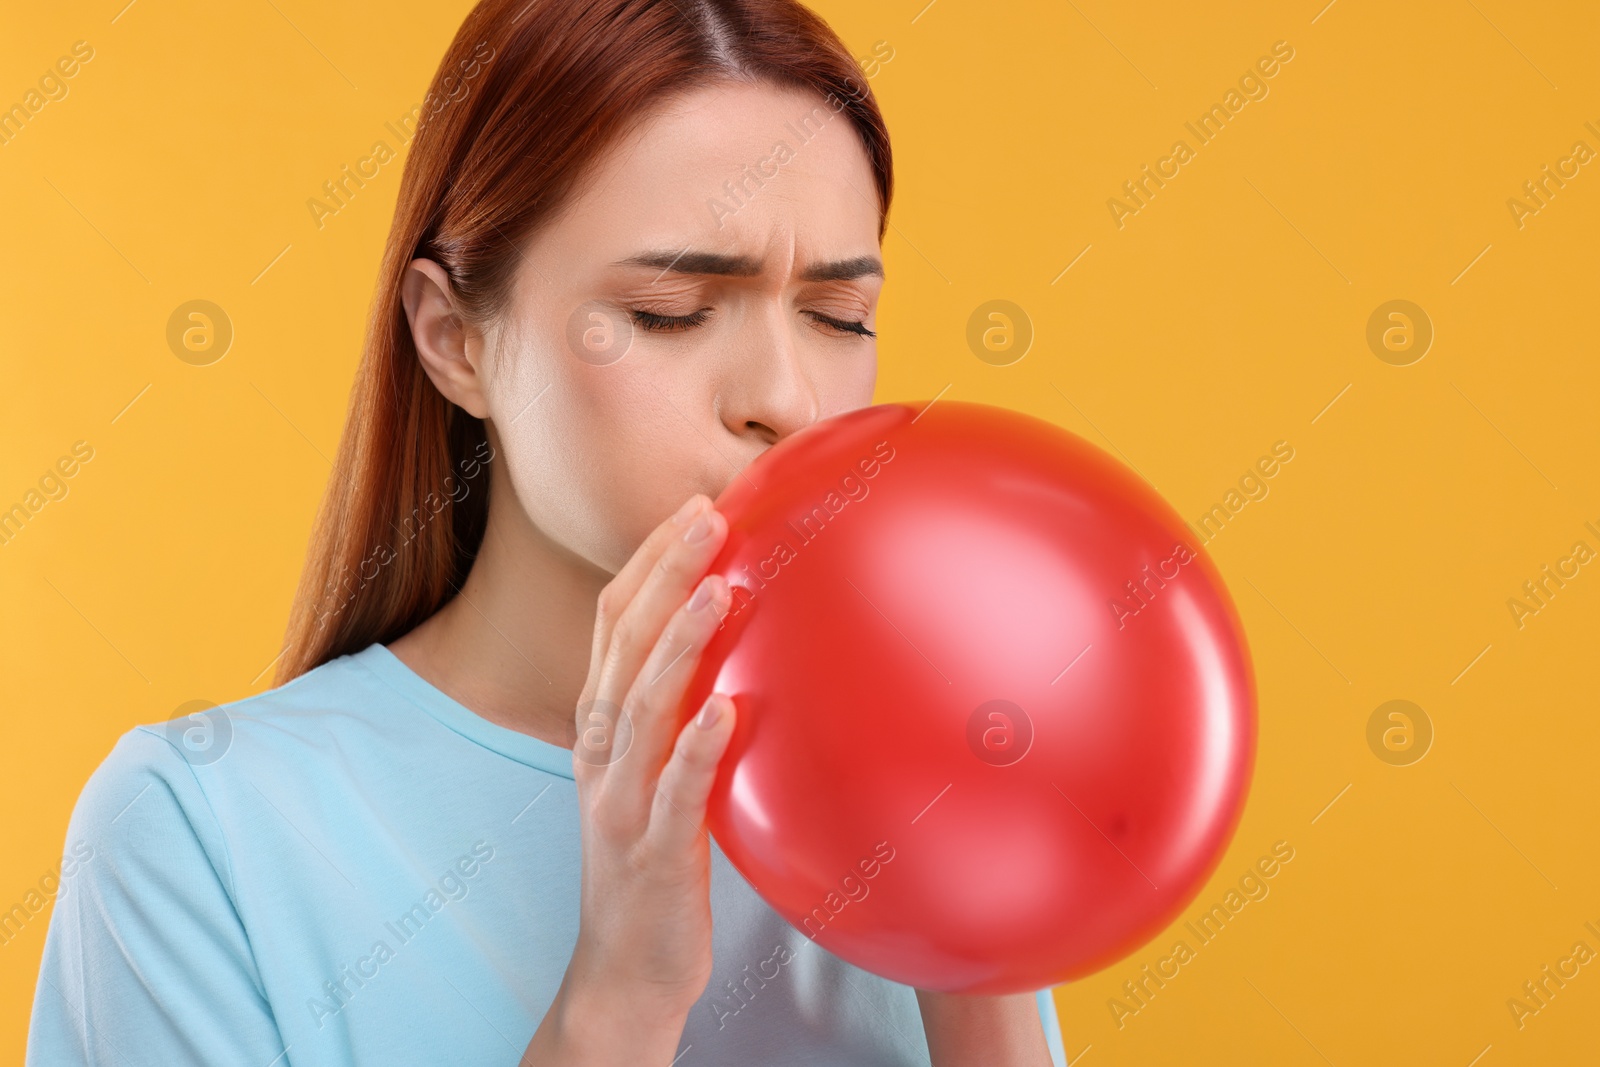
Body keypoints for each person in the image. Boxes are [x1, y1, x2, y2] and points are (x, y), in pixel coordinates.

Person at [27, 0, 1068, 1062]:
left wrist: (977, 957)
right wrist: (618, 995)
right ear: (454, 340)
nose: (787, 399)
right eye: (671, 308)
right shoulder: (200, 835)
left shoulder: (918, 788)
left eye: (839, 317)